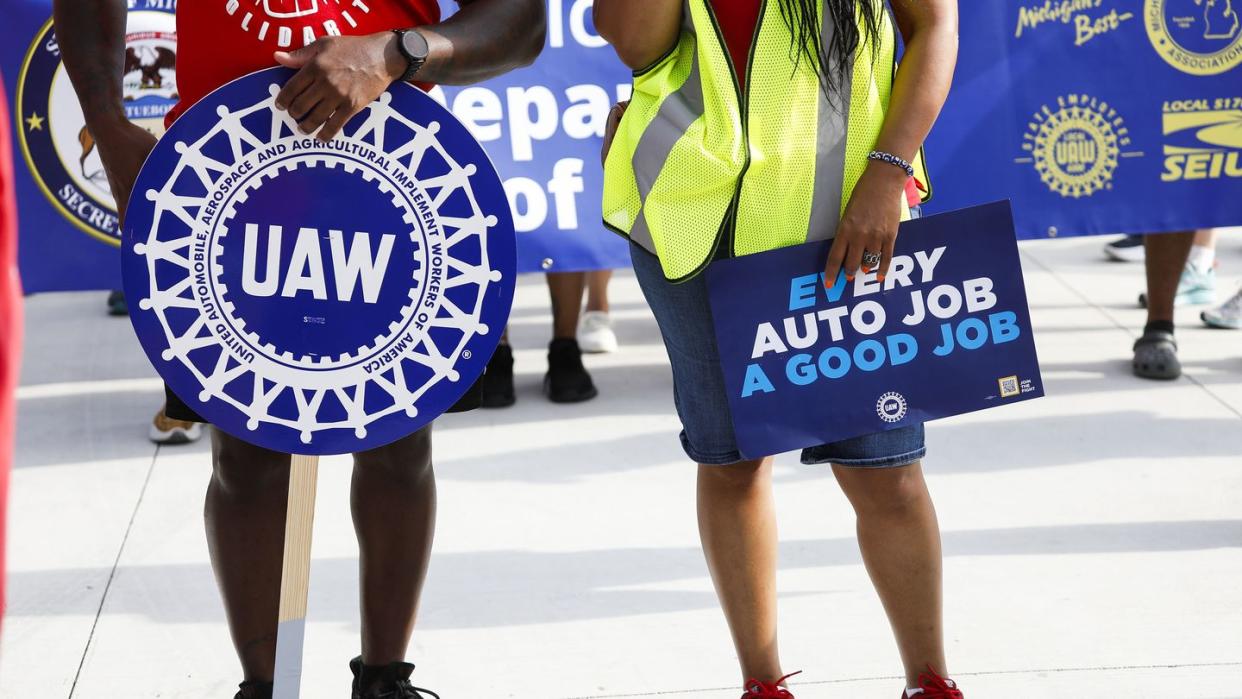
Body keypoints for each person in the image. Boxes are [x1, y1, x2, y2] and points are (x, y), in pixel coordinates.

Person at [53, 2, 546, 698]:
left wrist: (395, 52)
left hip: (389, 182)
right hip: (217, 181)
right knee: (245, 453)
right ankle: (264, 687)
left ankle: (385, 680)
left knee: (398, 443)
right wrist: (105, 118)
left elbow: (522, 24)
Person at [596, 1, 962, 698]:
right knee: (733, 463)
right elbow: (636, 45)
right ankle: (763, 684)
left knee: (887, 470)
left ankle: (931, 682)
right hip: (696, 221)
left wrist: (889, 173)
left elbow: (936, 26)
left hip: (851, 225)